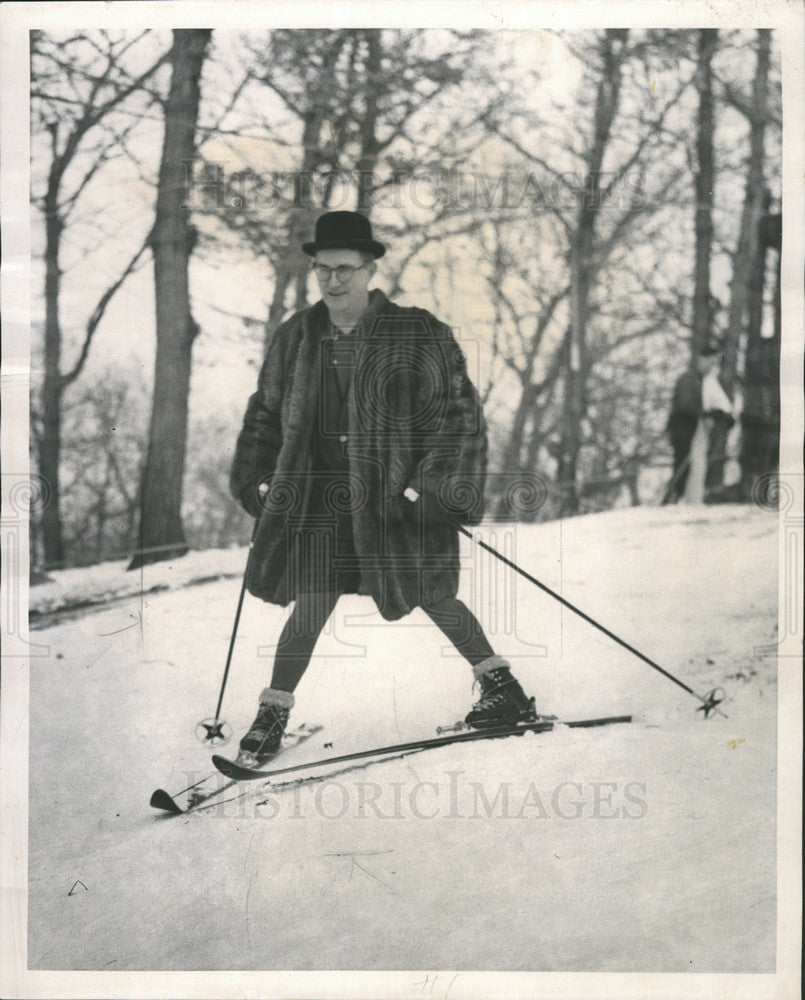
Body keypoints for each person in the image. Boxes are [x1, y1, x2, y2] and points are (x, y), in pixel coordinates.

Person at [229, 210, 536, 763]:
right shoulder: (296, 335)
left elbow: (459, 418)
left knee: (433, 595)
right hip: (320, 500)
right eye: (323, 269)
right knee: (311, 601)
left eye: (345, 269)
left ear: (371, 269)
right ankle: (271, 715)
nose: (333, 281)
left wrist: (430, 487)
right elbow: (264, 415)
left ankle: (503, 689)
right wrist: (257, 478)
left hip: (396, 501)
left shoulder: (417, 332)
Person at [663, 344, 733, 504]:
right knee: (682, 462)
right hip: (681, 426)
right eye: (709, 362)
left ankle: (678, 498)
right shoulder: (689, 378)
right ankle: (672, 498)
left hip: (690, 426)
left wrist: (717, 413)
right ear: (700, 359)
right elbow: (685, 405)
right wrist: (707, 413)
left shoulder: (702, 381)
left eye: (713, 363)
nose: (710, 367)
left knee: (689, 462)